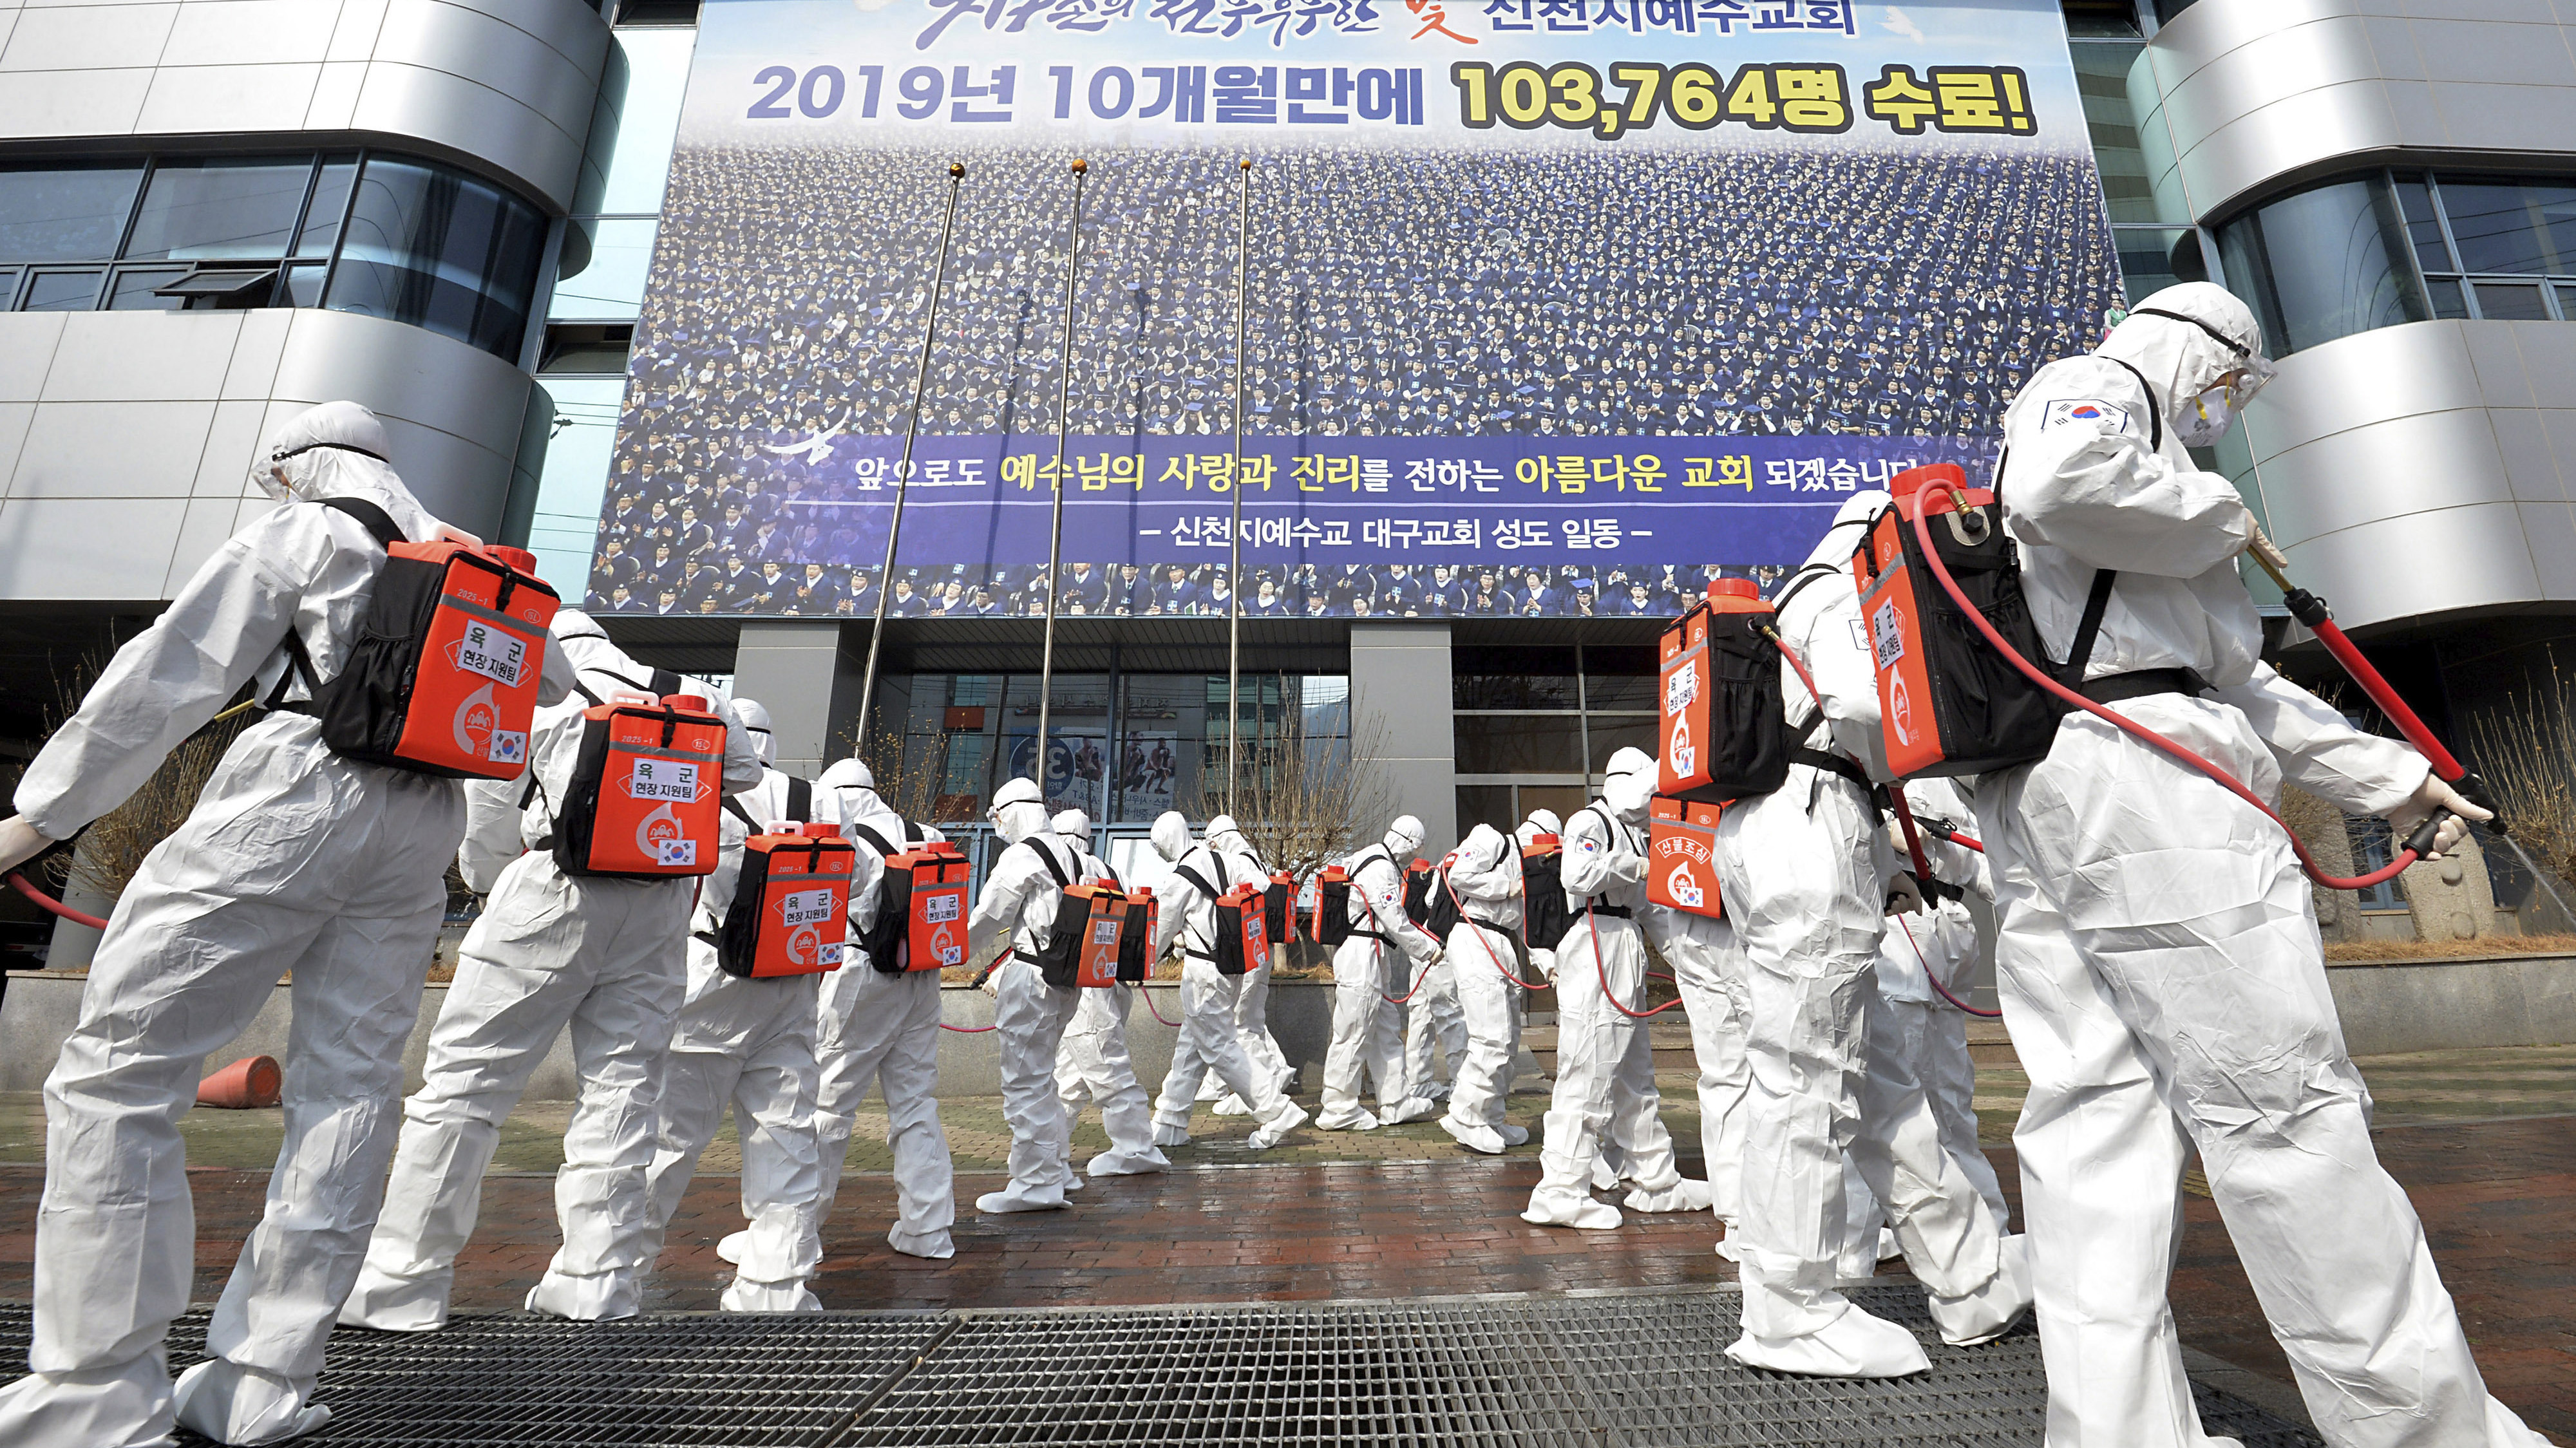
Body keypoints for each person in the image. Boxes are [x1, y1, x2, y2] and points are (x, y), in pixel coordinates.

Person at [1987, 282, 2532, 1446]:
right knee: (2283, 1109)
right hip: (2146, 794)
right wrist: (2222, 509)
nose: (2226, 412)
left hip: (2073, 780)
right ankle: (2427, 1432)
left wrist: (2396, 777)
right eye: (2234, 387)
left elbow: (2240, 682)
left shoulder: (2145, 496)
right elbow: (2060, 484)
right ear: (2204, 353)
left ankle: (2120, 1431)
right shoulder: (2099, 391)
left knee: (2096, 1119)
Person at [0, 402, 553, 1448]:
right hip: (420, 820)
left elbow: (167, 675)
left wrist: (41, 814)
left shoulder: (309, 529)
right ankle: (265, 1382)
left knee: (119, 1067)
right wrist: (479, 865)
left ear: (292, 465)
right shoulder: (474, 569)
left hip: (295, 784)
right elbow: (513, 724)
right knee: (349, 1086)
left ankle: (97, 1388)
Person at [343, 616, 761, 1333]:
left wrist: (492, 880)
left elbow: (486, 817)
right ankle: (595, 1277)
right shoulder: (696, 695)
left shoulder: (536, 692)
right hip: (658, 902)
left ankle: (402, 1278)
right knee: (626, 1087)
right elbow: (747, 773)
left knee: (466, 1083)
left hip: (554, 883)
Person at [1708, 493, 2027, 1379]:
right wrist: (1958, 735)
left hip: (1811, 823)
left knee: (1881, 1081)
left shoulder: (1803, 592)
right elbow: (1855, 697)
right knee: (1807, 1075)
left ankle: (1970, 1275)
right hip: (1810, 825)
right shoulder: (1846, 587)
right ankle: (1789, 1306)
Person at [629, 700, 829, 1313]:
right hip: (793, 981)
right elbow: (866, 884)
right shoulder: (815, 798)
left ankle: (614, 1272)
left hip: (714, 976)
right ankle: (776, 1286)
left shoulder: (702, 787)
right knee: (787, 1131)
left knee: (667, 1134)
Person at [1521, 749, 1710, 1230]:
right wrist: (1635, 866)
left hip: (1623, 945)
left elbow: (1653, 912)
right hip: (1595, 945)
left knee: (1633, 1075)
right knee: (1589, 1070)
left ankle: (1656, 1179)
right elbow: (1576, 874)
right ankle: (1561, 1189)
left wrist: (1693, 964)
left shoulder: (1633, 833)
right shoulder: (1592, 821)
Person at [808, 758, 956, 1258]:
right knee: (916, 1103)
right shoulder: (925, 832)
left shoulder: (839, 833)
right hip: (921, 975)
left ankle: (794, 1231)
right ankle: (928, 1228)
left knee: (829, 1101)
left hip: (860, 975)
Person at [965, 777, 1094, 1213]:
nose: (998, 825)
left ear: (1015, 809)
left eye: (998, 816)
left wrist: (944, 949)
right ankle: (1054, 1169)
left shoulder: (1022, 855)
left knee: (1025, 1082)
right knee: (1044, 1078)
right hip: (1066, 979)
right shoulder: (1078, 857)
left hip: (1032, 978)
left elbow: (989, 915)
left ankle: (1036, 1183)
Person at [1146, 811, 1309, 1150]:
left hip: (1204, 974)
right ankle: (1170, 1120)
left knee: (1220, 1047)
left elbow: (1158, 933)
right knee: (1191, 1048)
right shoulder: (1226, 860)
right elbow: (1264, 887)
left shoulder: (1180, 879)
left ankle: (1277, 1112)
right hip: (1234, 966)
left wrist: (1137, 967)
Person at [1048, 809, 1171, 1181]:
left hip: (1084, 992)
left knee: (1107, 1066)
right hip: (1111, 984)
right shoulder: (1113, 872)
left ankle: (1136, 1147)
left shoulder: (1062, 870)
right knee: (1069, 1079)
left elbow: (1045, 933)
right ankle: (1049, 1153)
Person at [1639, 889, 1754, 1257]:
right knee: (1786, 1076)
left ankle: (1739, 1223)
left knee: (1724, 1081)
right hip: (1744, 925)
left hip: (1694, 924)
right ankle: (1769, 1221)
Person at [1314, 816, 1444, 1132]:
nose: (1415, 856)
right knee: (1354, 1031)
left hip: (1371, 954)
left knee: (1386, 1028)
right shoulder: (1381, 868)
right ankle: (1338, 1107)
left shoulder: (1365, 857)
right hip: (1362, 956)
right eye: (1416, 849)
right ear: (1408, 842)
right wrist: (1428, 948)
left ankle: (1396, 1100)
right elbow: (1395, 920)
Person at [1436, 822, 1533, 1154]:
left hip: (1500, 941)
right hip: (1474, 935)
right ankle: (1465, 1113)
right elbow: (1460, 876)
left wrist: (1551, 963)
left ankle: (1491, 1115)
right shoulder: (1491, 839)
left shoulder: (1526, 867)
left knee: (1508, 1041)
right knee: (1491, 1036)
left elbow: (1523, 924)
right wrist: (1507, 887)